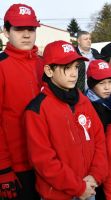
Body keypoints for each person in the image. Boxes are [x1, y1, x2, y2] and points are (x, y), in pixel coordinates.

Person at [24, 40, 108, 200]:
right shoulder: (37, 109)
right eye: (66, 67)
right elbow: (43, 161)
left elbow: (99, 140)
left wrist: (95, 176)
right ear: (49, 70)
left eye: (76, 67)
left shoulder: (84, 101)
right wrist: (78, 187)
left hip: (89, 187)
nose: (74, 73)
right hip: (58, 194)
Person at [0, 4, 42, 199]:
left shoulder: (46, 65)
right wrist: (3, 169)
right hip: (17, 167)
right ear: (6, 31)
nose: (26, 34)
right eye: (19, 29)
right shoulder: (1, 66)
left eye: (31, 29)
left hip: (49, 164)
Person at [86, 59, 111, 132]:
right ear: (92, 85)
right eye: (101, 83)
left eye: (110, 82)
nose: (107, 87)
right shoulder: (86, 106)